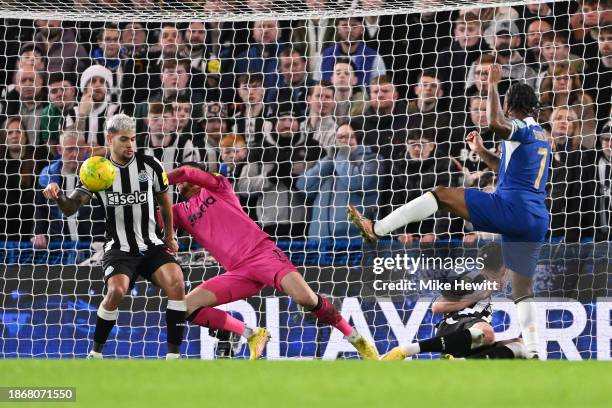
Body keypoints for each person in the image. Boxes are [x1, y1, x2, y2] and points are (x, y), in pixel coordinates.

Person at [348, 64, 550, 359]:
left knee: (441, 194)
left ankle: (376, 229)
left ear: (510, 105)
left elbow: (495, 121)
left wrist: (491, 85)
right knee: (522, 289)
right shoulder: (540, 136)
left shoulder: (521, 127)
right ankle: (533, 351)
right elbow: (506, 171)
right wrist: (481, 152)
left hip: (512, 207)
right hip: (534, 217)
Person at [166, 162, 379, 360]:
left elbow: (187, 172)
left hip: (262, 254)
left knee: (305, 298)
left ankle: (356, 339)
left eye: (184, 180)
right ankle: (251, 333)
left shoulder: (217, 186)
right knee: (184, 307)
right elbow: (151, 219)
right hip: (238, 272)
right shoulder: (178, 212)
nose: (181, 183)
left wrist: (161, 178)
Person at [41, 113, 186, 359]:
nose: (130, 145)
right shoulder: (96, 169)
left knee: (177, 283)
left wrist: (170, 236)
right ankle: (95, 354)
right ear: (110, 139)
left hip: (151, 243)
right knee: (116, 291)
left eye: (132, 139)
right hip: (118, 247)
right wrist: (57, 196)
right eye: (124, 139)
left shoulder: (150, 165)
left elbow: (165, 202)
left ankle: (173, 356)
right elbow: (71, 208)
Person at [382, 243, 525, 360]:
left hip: (467, 340)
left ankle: (460, 363)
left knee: (521, 345)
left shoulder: (484, 283)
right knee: (486, 333)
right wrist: (478, 296)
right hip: (453, 328)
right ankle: (406, 350)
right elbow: (438, 306)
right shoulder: (475, 277)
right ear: (504, 268)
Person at [297, 121, 380, 240]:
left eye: (349, 136)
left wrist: (341, 157)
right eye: (340, 137)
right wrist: (329, 159)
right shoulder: (330, 162)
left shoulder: (373, 160)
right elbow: (303, 186)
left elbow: (357, 183)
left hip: (355, 239)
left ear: (359, 138)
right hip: (320, 240)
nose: (344, 141)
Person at [32, 130, 105, 248]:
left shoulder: (98, 174)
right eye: (70, 149)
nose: (75, 154)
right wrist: (38, 232)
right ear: (60, 149)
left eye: (79, 149)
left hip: (93, 246)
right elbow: (40, 208)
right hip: (58, 247)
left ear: (86, 149)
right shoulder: (48, 175)